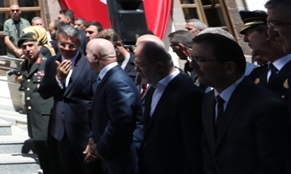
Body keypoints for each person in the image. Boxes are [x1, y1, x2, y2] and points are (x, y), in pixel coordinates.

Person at [191, 32, 291, 173]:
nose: (192, 65)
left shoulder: (266, 106)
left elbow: (272, 165)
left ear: (229, 67)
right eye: (192, 58)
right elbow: (209, 153)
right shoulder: (208, 101)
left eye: (199, 59)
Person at [37, 25, 100, 174]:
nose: (66, 48)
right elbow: (44, 92)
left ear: (78, 45)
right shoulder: (53, 62)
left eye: (71, 45)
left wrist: (94, 137)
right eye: (62, 44)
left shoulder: (88, 65)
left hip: (83, 133)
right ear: (57, 41)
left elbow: (96, 103)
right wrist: (58, 79)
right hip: (60, 132)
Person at [135, 41, 203, 174]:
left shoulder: (188, 94)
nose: (136, 69)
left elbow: (193, 148)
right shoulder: (152, 89)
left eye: (140, 65)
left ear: (159, 66)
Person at [83, 38, 140, 174]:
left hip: (122, 158)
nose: (85, 57)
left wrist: (100, 148)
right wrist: (93, 138)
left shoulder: (117, 81)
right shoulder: (107, 77)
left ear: (96, 57)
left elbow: (120, 122)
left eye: (87, 53)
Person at [17, 31, 62, 174]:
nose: (28, 49)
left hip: (47, 117)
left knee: (53, 156)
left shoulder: (46, 63)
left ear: (38, 46)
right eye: (24, 47)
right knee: (43, 157)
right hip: (34, 119)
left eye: (31, 45)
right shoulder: (25, 65)